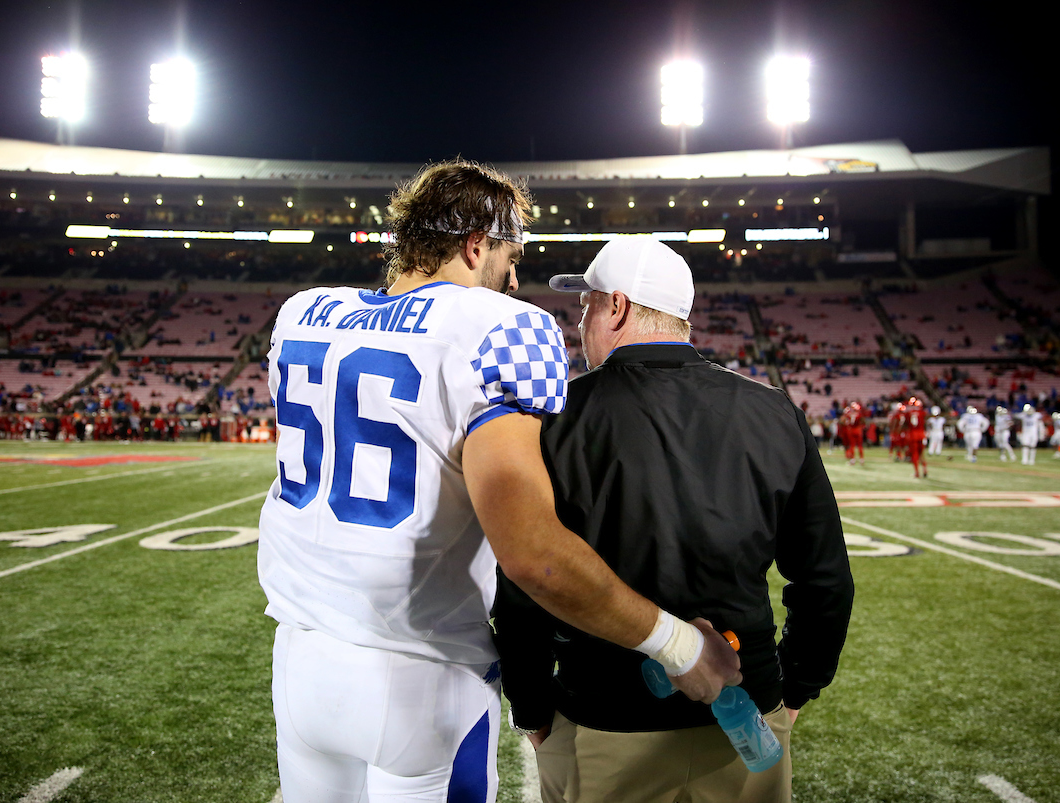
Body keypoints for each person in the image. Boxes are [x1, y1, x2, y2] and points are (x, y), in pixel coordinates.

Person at [256, 161, 741, 803]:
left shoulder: (305, 313)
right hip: (421, 681)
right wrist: (680, 646)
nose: (515, 279)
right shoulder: (502, 325)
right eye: (510, 256)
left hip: (299, 663)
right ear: (475, 243)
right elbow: (533, 555)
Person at [492, 238, 854, 803]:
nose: (581, 321)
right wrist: (795, 685)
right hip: (745, 717)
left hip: (603, 718)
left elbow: (526, 582)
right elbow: (824, 579)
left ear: (617, 307)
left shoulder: (556, 416)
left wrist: (533, 706)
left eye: (585, 305)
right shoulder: (775, 410)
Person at [904, 397, 928, 478]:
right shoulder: (922, 412)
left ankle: (917, 472)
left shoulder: (908, 413)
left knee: (914, 454)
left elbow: (906, 423)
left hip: (913, 435)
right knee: (922, 454)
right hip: (921, 435)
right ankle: (925, 469)